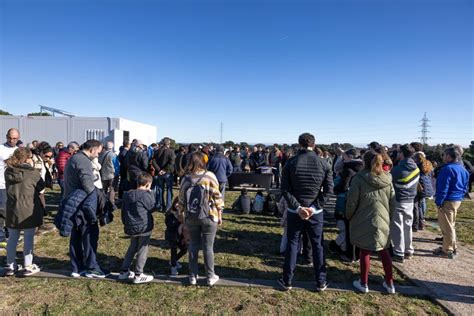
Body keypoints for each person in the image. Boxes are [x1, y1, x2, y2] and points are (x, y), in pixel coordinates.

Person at [278, 132, 333, 292]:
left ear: (299, 144)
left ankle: (287, 280)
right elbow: (329, 190)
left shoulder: (291, 162)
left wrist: (298, 208)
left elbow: (285, 190)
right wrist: (314, 207)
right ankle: (321, 281)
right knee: (317, 245)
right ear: (313, 145)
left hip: (296, 210)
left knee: (293, 243)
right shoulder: (324, 163)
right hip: (315, 211)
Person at [346, 150, 396, 294]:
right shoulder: (388, 178)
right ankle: (390, 283)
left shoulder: (359, 178)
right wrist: (389, 217)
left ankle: (364, 282)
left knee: (365, 250)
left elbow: (352, 202)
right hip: (383, 218)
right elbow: (393, 202)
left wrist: (349, 215)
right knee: (384, 250)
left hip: (363, 217)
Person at [62, 139, 107, 278]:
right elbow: (88, 186)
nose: (97, 155)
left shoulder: (74, 158)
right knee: (89, 236)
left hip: (74, 203)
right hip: (82, 205)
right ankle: (92, 268)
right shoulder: (83, 161)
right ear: (92, 150)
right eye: (97, 152)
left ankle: (77, 267)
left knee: (76, 236)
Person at [178, 151, 224, 286]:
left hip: (191, 216)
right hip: (209, 215)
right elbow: (217, 197)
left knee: (193, 245)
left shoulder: (185, 179)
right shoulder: (210, 176)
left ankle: (192, 275)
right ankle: (210, 276)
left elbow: (181, 200)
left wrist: (181, 214)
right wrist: (220, 214)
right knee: (208, 247)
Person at [4, 147, 45, 276]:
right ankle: (28, 265)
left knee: (12, 238)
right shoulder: (32, 173)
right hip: (28, 208)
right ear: (27, 158)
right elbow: (41, 186)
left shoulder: (8, 171)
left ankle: (10, 264)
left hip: (12, 207)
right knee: (28, 237)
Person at [433, 147, 469, 259]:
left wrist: (439, 201)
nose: (443, 157)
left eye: (444, 155)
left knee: (447, 227)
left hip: (448, 200)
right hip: (457, 199)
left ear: (449, 157)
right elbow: (465, 186)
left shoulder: (447, 169)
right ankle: (451, 247)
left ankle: (447, 250)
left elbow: (443, 187)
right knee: (451, 225)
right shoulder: (463, 169)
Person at [119, 173, 155, 283]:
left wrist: (125, 223)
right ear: (148, 184)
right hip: (144, 226)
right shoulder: (145, 195)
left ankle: (124, 271)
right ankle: (138, 274)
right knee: (142, 249)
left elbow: (123, 211)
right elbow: (152, 206)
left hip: (131, 226)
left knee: (132, 247)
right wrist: (151, 194)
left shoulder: (128, 195)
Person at [390, 144, 420, 263]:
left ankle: (398, 252)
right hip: (410, 200)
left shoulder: (397, 170)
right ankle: (409, 250)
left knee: (397, 227)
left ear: (401, 154)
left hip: (398, 200)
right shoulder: (416, 168)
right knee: (408, 226)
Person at [0, 128, 20, 247]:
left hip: (15, 184)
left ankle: (10, 231)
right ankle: (1, 234)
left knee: (13, 209)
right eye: (10, 138)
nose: (12, 140)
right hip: (2, 183)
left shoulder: (19, 150)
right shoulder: (1, 148)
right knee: (2, 208)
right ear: (6, 136)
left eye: (14, 139)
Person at [165, 197, 189, 275]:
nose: (178, 205)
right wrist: (178, 220)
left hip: (180, 236)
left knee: (184, 250)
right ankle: (173, 267)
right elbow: (170, 224)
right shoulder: (170, 213)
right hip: (172, 235)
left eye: (180, 204)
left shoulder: (183, 214)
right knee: (174, 250)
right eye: (176, 203)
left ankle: (173, 261)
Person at [151, 137, 176, 212]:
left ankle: (161, 206)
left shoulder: (157, 151)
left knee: (160, 189)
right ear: (168, 144)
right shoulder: (171, 151)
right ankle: (168, 207)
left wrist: (160, 170)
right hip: (167, 173)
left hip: (160, 172)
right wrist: (163, 170)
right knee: (168, 190)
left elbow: (153, 161)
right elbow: (172, 163)